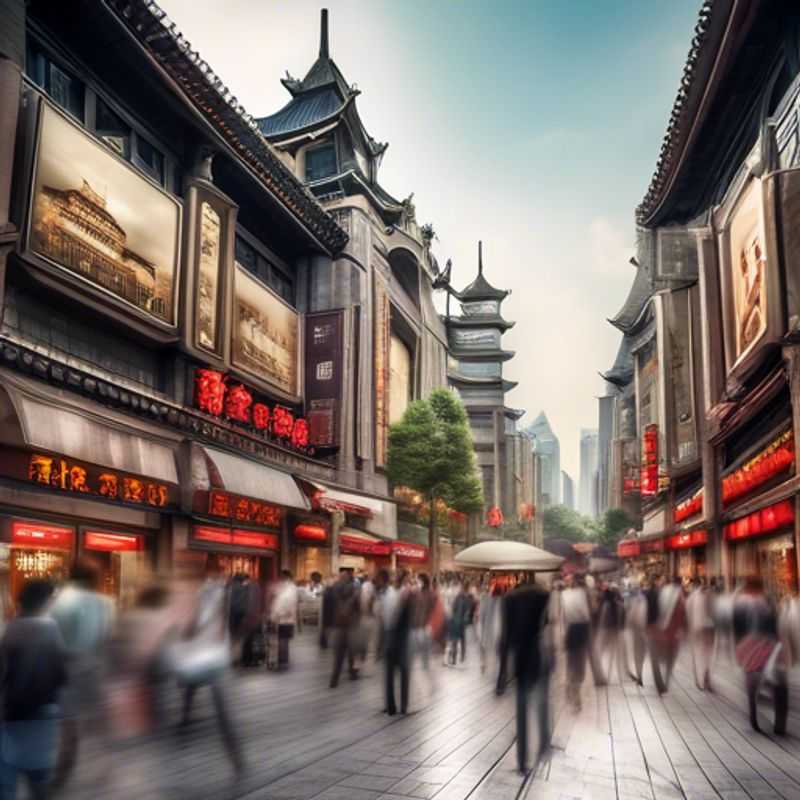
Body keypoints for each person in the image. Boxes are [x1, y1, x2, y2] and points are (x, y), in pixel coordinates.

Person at [48, 559, 114, 789]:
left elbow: (52, 637)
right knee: (95, 721)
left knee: (69, 723)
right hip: (93, 668)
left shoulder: (60, 601)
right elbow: (105, 638)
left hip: (67, 669)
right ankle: (101, 769)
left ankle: (64, 771)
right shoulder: (105, 603)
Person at [0, 579, 67, 799]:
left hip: (9, 718)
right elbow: (59, 677)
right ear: (45, 601)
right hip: (40, 718)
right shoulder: (49, 629)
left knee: (6, 784)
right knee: (39, 782)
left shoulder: (10, 628)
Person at [497, 575, 551, 774]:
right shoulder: (543, 595)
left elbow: (505, 637)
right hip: (537, 655)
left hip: (519, 658)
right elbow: (545, 622)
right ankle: (544, 745)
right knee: (541, 703)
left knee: (521, 710)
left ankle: (522, 761)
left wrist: (502, 675)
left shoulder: (509, 600)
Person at [733, 576, 788, 735]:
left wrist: (739, 647)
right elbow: (775, 624)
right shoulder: (767, 602)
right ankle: (779, 722)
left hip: (748, 646)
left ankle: (754, 716)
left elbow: (736, 627)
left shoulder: (740, 603)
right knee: (778, 682)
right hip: (768, 645)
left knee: (751, 682)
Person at [379, 570, 412, 716]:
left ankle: (391, 707)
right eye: (408, 578)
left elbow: (383, 617)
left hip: (391, 637)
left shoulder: (389, 594)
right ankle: (402, 707)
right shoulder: (404, 594)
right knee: (403, 673)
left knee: (390, 674)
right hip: (400, 639)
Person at [560, 573, 592, 710]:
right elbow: (586, 615)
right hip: (581, 630)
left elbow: (562, 617)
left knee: (571, 663)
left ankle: (569, 687)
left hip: (570, 631)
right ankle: (576, 697)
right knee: (579, 666)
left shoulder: (564, 594)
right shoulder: (581, 595)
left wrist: (563, 635)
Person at [329, 569, 361, 688]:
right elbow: (358, 608)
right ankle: (352, 673)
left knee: (339, 655)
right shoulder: (354, 590)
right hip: (350, 626)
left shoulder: (334, 589)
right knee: (351, 652)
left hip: (339, 626)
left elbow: (330, 607)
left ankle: (334, 678)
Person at [686, 577, 715, 690]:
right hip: (700, 628)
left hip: (705, 628)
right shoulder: (696, 596)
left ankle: (705, 675)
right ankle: (703, 676)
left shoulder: (696, 596)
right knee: (703, 653)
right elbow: (688, 610)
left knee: (705, 653)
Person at [270, 570, 298, 669]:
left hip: (285, 618)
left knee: (283, 640)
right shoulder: (283, 587)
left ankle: (282, 661)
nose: (279, 578)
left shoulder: (290, 588)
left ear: (286, 577)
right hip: (281, 618)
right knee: (281, 640)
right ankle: (281, 660)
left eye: (281, 577)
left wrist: (278, 614)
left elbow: (288, 604)